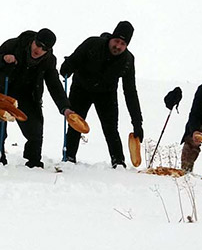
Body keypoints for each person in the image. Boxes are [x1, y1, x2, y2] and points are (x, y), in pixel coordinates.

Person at [0, 28, 74, 167]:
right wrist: (3, 59)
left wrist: (65, 107)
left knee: (35, 130)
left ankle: (33, 162)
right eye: (38, 44)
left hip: (27, 96)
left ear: (48, 51)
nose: (38, 49)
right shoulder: (14, 45)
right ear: (33, 41)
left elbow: (54, 84)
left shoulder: (48, 61)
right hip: (0, 92)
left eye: (44, 48)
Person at [59, 20, 143, 168]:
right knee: (75, 123)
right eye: (116, 41)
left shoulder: (127, 60)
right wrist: (66, 68)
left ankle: (118, 161)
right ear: (111, 38)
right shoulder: (93, 44)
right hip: (81, 88)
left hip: (106, 93)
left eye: (123, 44)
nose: (118, 46)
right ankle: (69, 157)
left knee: (111, 128)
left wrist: (137, 123)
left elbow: (130, 91)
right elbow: (73, 60)